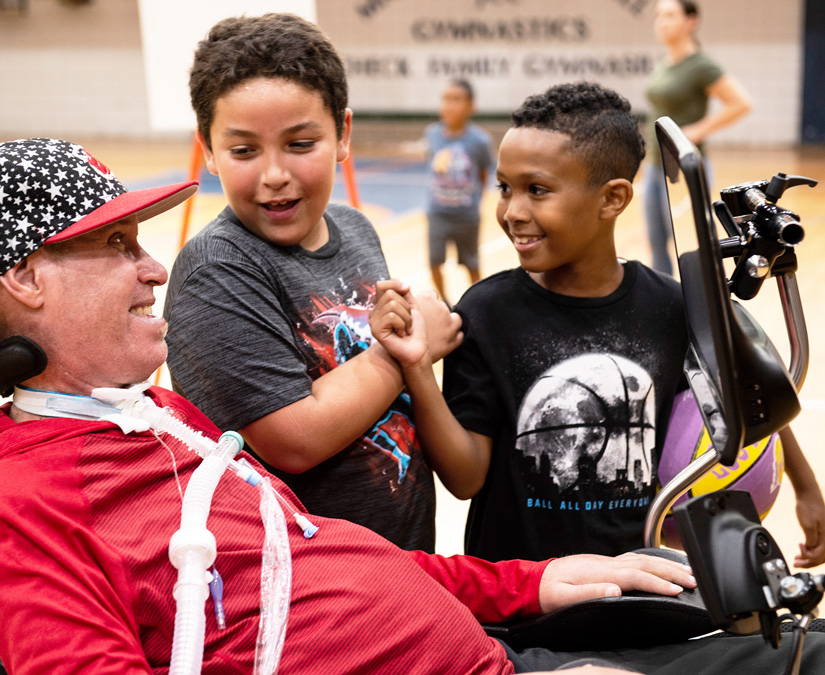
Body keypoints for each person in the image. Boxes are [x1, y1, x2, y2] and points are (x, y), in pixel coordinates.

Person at [2, 137, 824, 675]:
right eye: (116, 246)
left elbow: (327, 558)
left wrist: (527, 584)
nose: (153, 269)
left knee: (799, 646)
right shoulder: (23, 509)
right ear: (24, 279)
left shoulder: (162, 420)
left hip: (499, 641)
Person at [369, 82, 825, 566]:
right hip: (520, 593)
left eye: (537, 190)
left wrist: (806, 487)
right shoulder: (485, 311)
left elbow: (752, 395)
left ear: (612, 199)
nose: (512, 212)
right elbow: (465, 479)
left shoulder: (673, 307)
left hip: (639, 578)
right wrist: (418, 369)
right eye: (505, 188)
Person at [163, 14, 463, 552]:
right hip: (306, 582)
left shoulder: (355, 228)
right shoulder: (218, 269)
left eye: (300, 144)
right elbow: (294, 440)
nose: (274, 173)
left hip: (400, 558)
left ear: (343, 134)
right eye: (244, 150)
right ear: (207, 149)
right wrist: (408, 354)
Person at [643, 0, 751, 275]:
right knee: (656, 242)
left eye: (669, 15)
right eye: (659, 16)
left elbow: (741, 103)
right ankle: (666, 299)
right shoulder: (666, 63)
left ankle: (705, 306)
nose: (661, 22)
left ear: (691, 22)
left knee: (691, 244)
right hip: (656, 165)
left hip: (684, 168)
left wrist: (696, 131)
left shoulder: (701, 65)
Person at [424, 78, 494, 303]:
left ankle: (476, 304)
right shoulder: (432, 134)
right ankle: (445, 304)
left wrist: (475, 201)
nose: (449, 105)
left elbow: (483, 173)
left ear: (471, 106)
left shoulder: (479, 140)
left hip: (467, 215)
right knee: (435, 262)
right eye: (446, 99)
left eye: (456, 100)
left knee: (471, 264)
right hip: (437, 212)